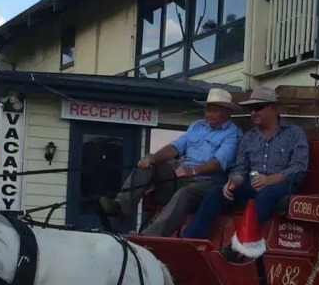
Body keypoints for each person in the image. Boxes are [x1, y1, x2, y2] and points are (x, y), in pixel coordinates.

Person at [180, 85, 309, 260]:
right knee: (216, 192)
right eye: (250, 109)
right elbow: (240, 169)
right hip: (252, 183)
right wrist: (233, 182)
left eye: (258, 108)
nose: (253, 113)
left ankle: (239, 247)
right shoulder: (248, 137)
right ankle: (189, 242)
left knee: (266, 193)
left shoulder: (294, 133)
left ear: (273, 108)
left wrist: (270, 179)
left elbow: (299, 167)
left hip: (283, 185)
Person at [99, 87, 241, 236]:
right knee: (151, 162)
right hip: (183, 173)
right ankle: (121, 207)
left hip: (207, 183)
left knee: (186, 192)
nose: (209, 114)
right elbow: (175, 147)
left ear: (227, 112)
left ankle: (150, 236)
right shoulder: (197, 126)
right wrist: (152, 157)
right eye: (208, 110)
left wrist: (193, 170)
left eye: (215, 111)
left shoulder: (233, 133)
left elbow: (218, 163)